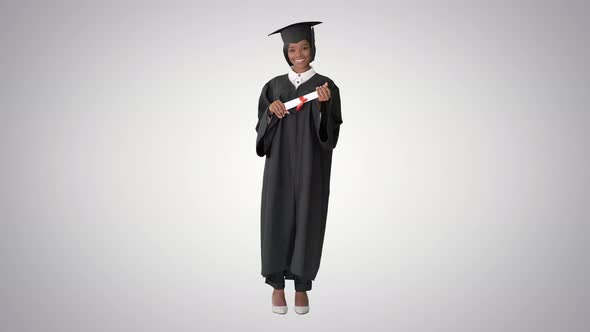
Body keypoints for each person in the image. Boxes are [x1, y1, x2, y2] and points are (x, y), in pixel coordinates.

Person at [255, 21, 343, 315]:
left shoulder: (326, 86)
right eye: (292, 49)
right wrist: (271, 112)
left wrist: (323, 107)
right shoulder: (273, 86)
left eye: (304, 48)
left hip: (311, 164)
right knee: (275, 217)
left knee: (308, 217)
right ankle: (277, 286)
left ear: (312, 49)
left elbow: (330, 133)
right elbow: (261, 129)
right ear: (286, 52)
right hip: (279, 163)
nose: (299, 54)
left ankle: (302, 287)